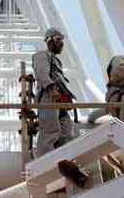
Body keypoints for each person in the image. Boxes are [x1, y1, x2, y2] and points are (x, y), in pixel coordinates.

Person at [32, 27, 76, 157]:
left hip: (61, 100)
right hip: (49, 97)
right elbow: (41, 73)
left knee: (67, 132)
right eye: (58, 40)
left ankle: (65, 159)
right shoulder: (41, 55)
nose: (62, 44)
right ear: (49, 41)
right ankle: (45, 160)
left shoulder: (56, 61)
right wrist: (51, 89)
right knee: (50, 130)